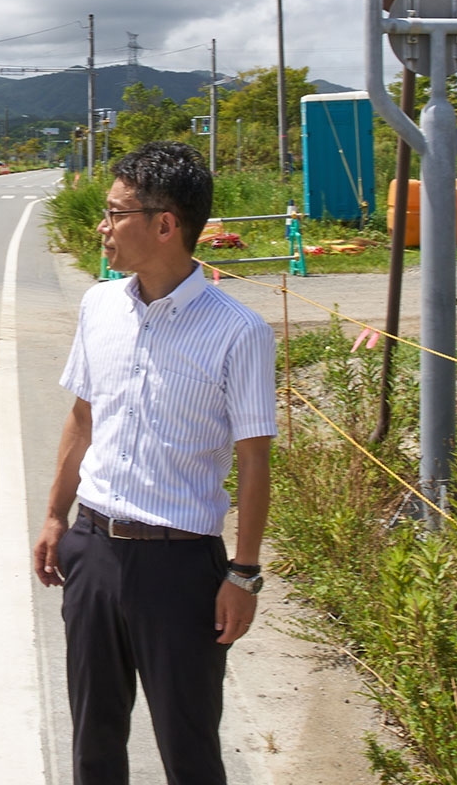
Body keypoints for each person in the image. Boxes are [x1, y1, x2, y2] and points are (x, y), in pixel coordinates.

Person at [32, 140, 277, 785]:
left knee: (189, 748)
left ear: (165, 224)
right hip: (93, 547)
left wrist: (244, 575)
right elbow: (83, 419)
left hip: (181, 567)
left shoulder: (238, 331)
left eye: (115, 213)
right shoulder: (98, 306)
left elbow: (254, 462)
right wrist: (57, 517)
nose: (103, 226)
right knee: (94, 738)